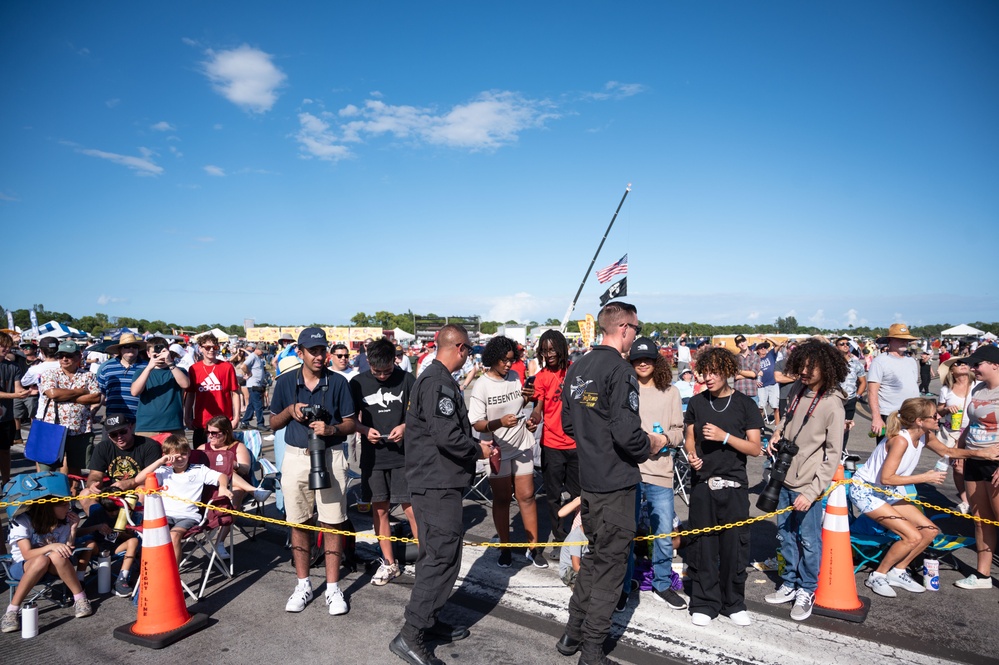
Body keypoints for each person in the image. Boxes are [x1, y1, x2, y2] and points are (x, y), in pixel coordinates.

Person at [555, 302, 666, 665]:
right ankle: (591, 649)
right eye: (636, 327)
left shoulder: (579, 366)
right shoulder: (620, 370)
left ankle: (572, 632)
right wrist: (653, 442)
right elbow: (627, 435)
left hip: (590, 481)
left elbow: (569, 425)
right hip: (615, 484)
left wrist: (594, 438)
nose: (637, 334)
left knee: (594, 560)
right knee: (610, 569)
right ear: (623, 327)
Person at [390, 324, 495, 665]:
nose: (468, 358)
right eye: (468, 351)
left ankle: (429, 620)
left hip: (438, 482)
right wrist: (478, 450)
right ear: (460, 348)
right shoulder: (437, 381)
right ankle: (412, 633)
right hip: (435, 485)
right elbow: (447, 436)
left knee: (441, 557)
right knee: (440, 558)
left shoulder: (436, 379)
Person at [850, 397, 999, 596]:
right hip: (867, 491)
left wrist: (983, 454)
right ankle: (878, 575)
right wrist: (924, 477)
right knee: (912, 536)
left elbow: (947, 451)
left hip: (886, 492)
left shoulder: (924, 435)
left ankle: (898, 571)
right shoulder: (900, 441)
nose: (939, 417)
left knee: (929, 531)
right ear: (919, 421)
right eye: (934, 415)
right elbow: (886, 478)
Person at [269, 327, 357, 617]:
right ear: (300, 352)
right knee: (298, 522)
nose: (320, 356)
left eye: (323, 350)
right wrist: (290, 410)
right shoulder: (285, 383)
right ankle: (303, 584)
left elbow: (351, 423)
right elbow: (273, 423)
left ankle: (332, 587)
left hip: (330, 454)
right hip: (296, 456)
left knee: (333, 522)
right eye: (313, 351)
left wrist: (331, 428)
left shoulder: (339, 382)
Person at [764, 340, 846, 621]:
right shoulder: (798, 390)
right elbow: (786, 419)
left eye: (812, 367)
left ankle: (807, 588)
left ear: (828, 368)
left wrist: (812, 492)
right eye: (802, 366)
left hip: (807, 486)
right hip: (783, 477)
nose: (805, 372)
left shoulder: (833, 404)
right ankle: (789, 581)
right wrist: (777, 433)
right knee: (785, 535)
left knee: (809, 540)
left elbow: (833, 455)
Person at [683, 346, 763, 627]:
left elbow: (755, 448)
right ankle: (704, 601)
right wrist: (691, 455)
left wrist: (725, 436)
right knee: (702, 545)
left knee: (734, 548)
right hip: (703, 484)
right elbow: (689, 437)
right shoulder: (697, 403)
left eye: (714, 371)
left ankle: (734, 602)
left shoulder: (745, 404)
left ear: (728, 371)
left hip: (734, 485)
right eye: (704, 372)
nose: (708, 377)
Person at [349, 338, 418, 586]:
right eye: (377, 371)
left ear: (395, 361)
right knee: (380, 509)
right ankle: (389, 563)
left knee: (411, 507)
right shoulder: (357, 383)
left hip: (403, 456)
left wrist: (405, 426)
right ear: (368, 363)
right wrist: (364, 430)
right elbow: (350, 420)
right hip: (373, 456)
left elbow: (419, 415)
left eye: (387, 370)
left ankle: (426, 561)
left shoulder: (407, 380)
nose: (381, 375)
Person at [469, 336, 543, 568]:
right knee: (501, 499)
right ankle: (505, 548)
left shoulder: (514, 377)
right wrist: (499, 422)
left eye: (511, 360)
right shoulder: (482, 384)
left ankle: (534, 549)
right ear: (492, 359)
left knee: (527, 496)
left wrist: (528, 412)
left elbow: (517, 406)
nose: (509, 365)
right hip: (496, 449)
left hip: (521, 443)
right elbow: (477, 424)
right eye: (504, 360)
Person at [625, 337, 686, 609]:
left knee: (662, 533)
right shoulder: (624, 389)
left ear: (656, 360)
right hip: (628, 472)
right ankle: (624, 585)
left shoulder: (670, 392)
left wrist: (665, 440)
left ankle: (662, 583)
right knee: (625, 533)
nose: (642, 363)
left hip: (660, 472)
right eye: (637, 359)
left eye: (648, 358)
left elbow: (679, 432)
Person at [134, 435, 253, 564]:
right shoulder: (163, 471)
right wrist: (160, 461)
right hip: (165, 515)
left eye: (183, 454)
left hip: (188, 516)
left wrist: (223, 487)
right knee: (152, 534)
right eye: (175, 456)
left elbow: (222, 476)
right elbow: (138, 480)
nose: (180, 458)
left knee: (173, 535)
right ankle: (153, 570)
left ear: (189, 453)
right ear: (167, 456)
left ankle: (172, 576)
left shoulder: (198, 470)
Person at [2, 488, 93, 633]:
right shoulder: (23, 520)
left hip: (54, 566)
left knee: (56, 555)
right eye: (63, 505)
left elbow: (66, 550)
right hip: (23, 566)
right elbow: (27, 554)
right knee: (41, 560)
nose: (68, 508)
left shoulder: (63, 522)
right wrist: (52, 546)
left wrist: (73, 529)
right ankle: (12, 611)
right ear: (48, 506)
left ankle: (80, 599)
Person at [524, 329, 578, 562]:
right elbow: (539, 408)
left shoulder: (576, 370)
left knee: (579, 495)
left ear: (562, 348)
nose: (550, 354)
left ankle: (578, 537)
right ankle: (559, 538)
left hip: (577, 444)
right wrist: (534, 420)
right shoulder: (542, 377)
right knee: (553, 496)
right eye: (545, 351)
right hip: (552, 445)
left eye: (553, 349)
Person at [954, 345, 999, 590]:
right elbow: (971, 423)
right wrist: (960, 450)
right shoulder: (979, 387)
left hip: (996, 463)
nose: (973, 368)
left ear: (995, 364)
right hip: (974, 458)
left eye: (977, 364)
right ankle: (983, 576)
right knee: (981, 520)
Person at [38, 341, 101, 475]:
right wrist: (80, 392)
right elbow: (53, 394)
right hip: (53, 427)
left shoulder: (88, 375)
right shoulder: (50, 374)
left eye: (69, 356)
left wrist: (64, 395)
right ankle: (45, 495)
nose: (64, 359)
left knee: (75, 468)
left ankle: (73, 493)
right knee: (47, 467)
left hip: (80, 429)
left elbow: (96, 398)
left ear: (79, 357)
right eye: (60, 356)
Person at [184, 334, 241, 448]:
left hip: (223, 421)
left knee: (224, 458)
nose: (211, 350)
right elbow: (190, 395)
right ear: (200, 348)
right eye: (207, 347)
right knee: (200, 457)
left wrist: (236, 417)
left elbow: (235, 393)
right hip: (201, 422)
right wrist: (187, 417)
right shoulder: (194, 369)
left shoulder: (227, 367)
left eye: (214, 347)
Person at [936, 356, 976, 514]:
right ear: (952, 371)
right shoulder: (946, 389)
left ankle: (977, 499)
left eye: (965, 363)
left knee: (974, 466)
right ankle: (965, 500)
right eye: (958, 364)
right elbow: (939, 409)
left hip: (974, 431)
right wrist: (946, 409)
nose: (962, 365)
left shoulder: (978, 385)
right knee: (958, 468)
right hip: (953, 432)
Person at [868, 323, 920, 442]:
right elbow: (872, 391)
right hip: (890, 415)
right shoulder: (880, 361)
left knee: (909, 451)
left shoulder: (911, 361)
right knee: (888, 452)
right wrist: (876, 417)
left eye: (906, 340)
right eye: (900, 339)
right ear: (890, 340)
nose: (904, 342)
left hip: (912, 414)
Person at [131, 337, 190, 440]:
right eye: (155, 353)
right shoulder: (140, 373)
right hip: (147, 427)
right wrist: (149, 367)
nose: (159, 355)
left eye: (162, 351)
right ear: (148, 354)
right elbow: (135, 392)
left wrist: (170, 363)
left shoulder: (178, 370)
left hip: (173, 426)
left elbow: (185, 384)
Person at [0, 331, 28, 486]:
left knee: (5, 451)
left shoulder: (13, 366)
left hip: (6, 416)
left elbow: (18, 389)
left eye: (7, 346)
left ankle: (6, 482)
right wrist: (16, 396)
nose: (5, 348)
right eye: (2, 345)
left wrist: (26, 392)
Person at [97, 333, 145, 420]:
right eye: (127, 346)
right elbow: (101, 393)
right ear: (120, 350)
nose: (131, 349)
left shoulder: (147, 367)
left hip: (140, 421)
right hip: (113, 421)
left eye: (134, 346)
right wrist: (93, 411)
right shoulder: (107, 367)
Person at [834, 337, 867, 450]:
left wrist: (857, 396)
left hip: (850, 400)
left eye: (847, 344)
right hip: (835, 400)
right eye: (841, 343)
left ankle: (841, 451)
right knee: (831, 426)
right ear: (836, 347)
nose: (845, 345)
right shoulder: (832, 363)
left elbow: (863, 382)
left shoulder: (856, 363)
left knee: (846, 428)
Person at [238, 343, 268, 431]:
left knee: (251, 404)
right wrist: (248, 373)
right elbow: (243, 366)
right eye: (262, 351)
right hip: (253, 384)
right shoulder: (253, 356)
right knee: (258, 404)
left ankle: (245, 422)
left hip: (257, 384)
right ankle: (260, 423)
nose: (263, 353)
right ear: (258, 349)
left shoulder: (258, 358)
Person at [755, 342, 780, 426]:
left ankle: (777, 429)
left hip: (773, 384)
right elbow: (752, 372)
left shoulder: (771, 355)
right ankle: (760, 427)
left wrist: (767, 337)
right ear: (757, 350)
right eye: (761, 348)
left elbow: (778, 344)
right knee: (760, 407)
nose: (763, 349)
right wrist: (756, 380)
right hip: (761, 386)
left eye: (765, 347)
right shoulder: (755, 359)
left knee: (775, 407)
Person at [733, 334, 761, 407]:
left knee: (753, 416)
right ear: (737, 345)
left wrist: (739, 371)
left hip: (752, 391)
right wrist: (749, 373)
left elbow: (753, 374)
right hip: (739, 391)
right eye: (739, 343)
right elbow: (736, 377)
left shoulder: (756, 357)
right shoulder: (735, 358)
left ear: (746, 341)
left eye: (743, 341)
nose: (742, 344)